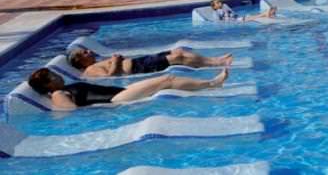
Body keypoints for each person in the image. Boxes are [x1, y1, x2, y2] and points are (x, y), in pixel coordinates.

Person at [25, 66, 229, 110]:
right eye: (52, 76)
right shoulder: (59, 93)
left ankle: (210, 84)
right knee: (167, 80)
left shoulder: (65, 87)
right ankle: (212, 83)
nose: (57, 75)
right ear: (47, 85)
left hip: (120, 92)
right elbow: (70, 110)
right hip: (116, 99)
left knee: (168, 80)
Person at [68, 45, 233, 78]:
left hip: (141, 61)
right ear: (80, 61)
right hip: (140, 68)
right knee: (178, 58)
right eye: (85, 52)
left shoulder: (94, 64)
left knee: (178, 51)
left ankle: (215, 59)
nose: (89, 51)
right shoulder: (89, 71)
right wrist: (116, 61)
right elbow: (111, 76)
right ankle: (217, 64)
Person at [207, 0, 276, 23]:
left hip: (236, 18)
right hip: (233, 22)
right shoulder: (215, 12)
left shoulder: (225, 6)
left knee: (249, 16)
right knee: (249, 18)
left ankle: (266, 14)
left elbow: (233, 13)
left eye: (220, 1)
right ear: (214, 6)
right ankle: (265, 14)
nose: (220, 2)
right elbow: (218, 22)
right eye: (218, 2)